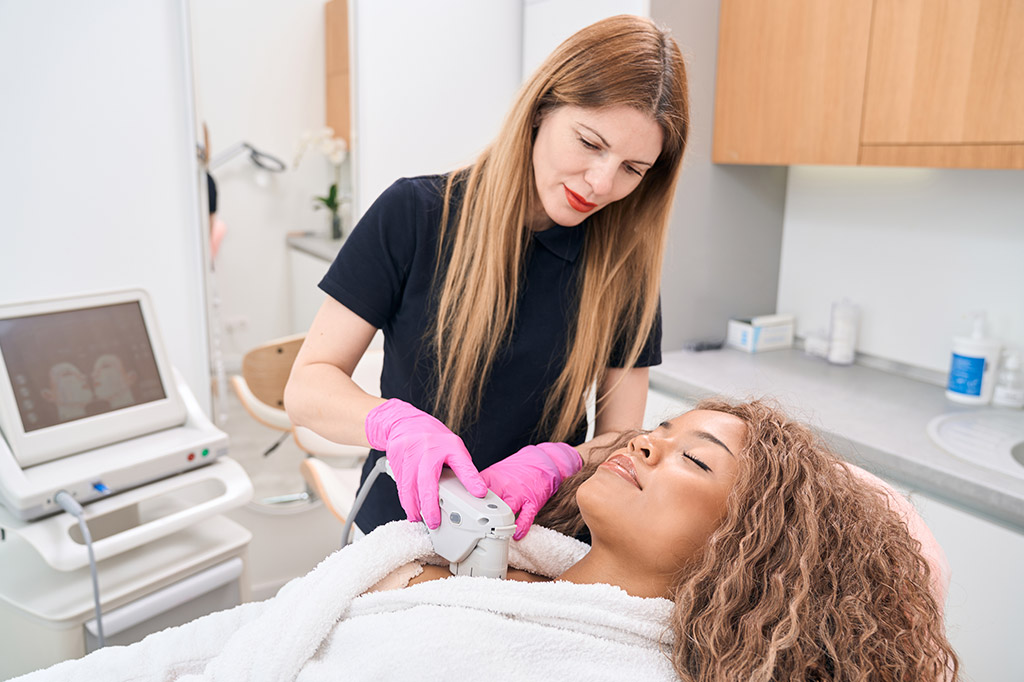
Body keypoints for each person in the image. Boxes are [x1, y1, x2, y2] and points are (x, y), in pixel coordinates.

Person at [13, 399, 957, 682]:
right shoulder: (498, 567)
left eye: (692, 461)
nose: (644, 444)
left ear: (745, 548)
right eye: (658, 433)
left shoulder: (604, 661)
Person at [284, 14, 690, 540]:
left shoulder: (622, 273)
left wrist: (558, 461)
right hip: (403, 532)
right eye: (590, 143)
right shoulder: (415, 214)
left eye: (633, 169)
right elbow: (307, 386)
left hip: (534, 540)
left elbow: (620, 437)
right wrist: (395, 425)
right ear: (542, 109)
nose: (601, 182)